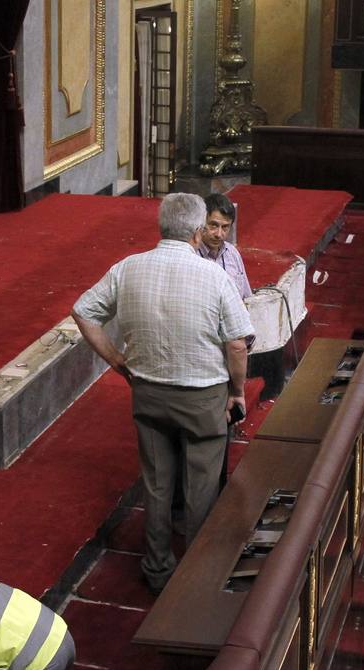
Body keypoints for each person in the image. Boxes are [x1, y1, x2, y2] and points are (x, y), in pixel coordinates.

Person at [71, 192, 255, 593]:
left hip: (148, 393)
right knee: (202, 489)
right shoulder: (214, 277)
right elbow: (238, 344)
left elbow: (84, 312)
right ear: (195, 232)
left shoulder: (128, 268)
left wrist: (117, 361)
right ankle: (197, 577)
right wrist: (237, 392)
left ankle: (157, 568)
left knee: (157, 484)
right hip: (202, 397)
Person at [198, 192, 252, 300]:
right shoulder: (192, 254)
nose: (219, 234)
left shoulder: (232, 253)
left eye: (225, 227)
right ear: (201, 222)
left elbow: (246, 297)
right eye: (213, 225)